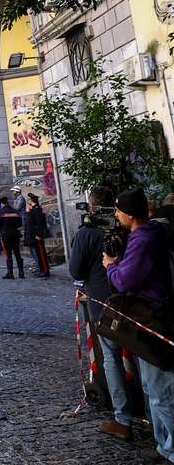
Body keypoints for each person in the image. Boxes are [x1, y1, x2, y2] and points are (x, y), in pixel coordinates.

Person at [104, 189, 174, 461]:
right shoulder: (150, 234)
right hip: (150, 318)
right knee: (152, 387)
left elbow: (124, 280)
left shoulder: (143, 238)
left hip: (152, 320)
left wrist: (111, 266)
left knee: (161, 393)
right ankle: (163, 446)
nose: (116, 215)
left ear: (130, 215)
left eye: (119, 211)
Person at [70, 185, 133, 440]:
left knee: (112, 358)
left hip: (102, 304)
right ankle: (150, 416)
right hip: (133, 302)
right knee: (142, 358)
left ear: (92, 207)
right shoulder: (126, 229)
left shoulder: (86, 234)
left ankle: (122, 417)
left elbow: (76, 271)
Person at [0, 196, 25, 279]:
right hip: (15, 234)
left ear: (2, 203)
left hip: (6, 235)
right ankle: (21, 273)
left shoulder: (1, 212)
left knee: (9, 255)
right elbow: (20, 223)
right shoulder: (15, 211)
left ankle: (10, 273)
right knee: (17, 254)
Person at [25, 193, 51, 277]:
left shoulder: (37, 210)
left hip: (37, 235)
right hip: (34, 235)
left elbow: (40, 224)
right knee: (38, 254)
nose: (28, 201)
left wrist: (39, 235)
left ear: (31, 200)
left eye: (29, 200)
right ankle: (41, 269)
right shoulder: (33, 210)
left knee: (41, 254)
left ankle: (45, 271)